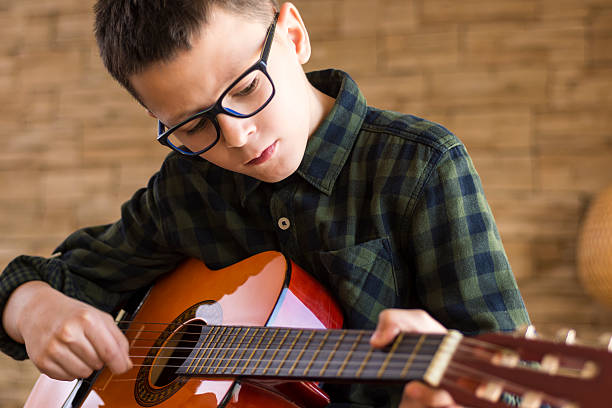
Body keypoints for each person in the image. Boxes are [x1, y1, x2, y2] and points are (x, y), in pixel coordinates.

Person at [0, 1, 530, 407]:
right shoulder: (189, 188)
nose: (236, 136)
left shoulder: (421, 167)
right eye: (193, 125)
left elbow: (512, 382)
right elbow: (55, 280)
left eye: (249, 87)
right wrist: (33, 308)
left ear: (294, 33)